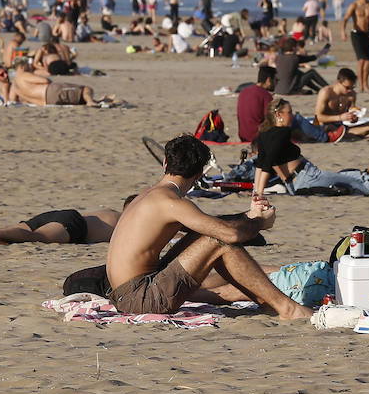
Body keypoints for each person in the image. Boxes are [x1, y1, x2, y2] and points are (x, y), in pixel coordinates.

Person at [107, 135, 310, 319]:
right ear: (198, 174)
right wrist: (260, 223)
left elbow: (208, 223)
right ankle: (286, 308)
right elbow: (229, 234)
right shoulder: (171, 202)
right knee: (220, 240)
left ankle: (267, 303)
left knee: (208, 234)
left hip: (126, 295)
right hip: (140, 298)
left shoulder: (148, 197)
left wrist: (249, 215)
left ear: (165, 162)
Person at [308, 68, 369, 141]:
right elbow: (317, 118)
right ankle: (360, 137)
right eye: (347, 87)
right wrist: (340, 117)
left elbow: (352, 115)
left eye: (352, 87)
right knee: (331, 128)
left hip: (343, 128)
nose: (350, 90)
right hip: (325, 128)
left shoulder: (351, 95)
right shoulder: (326, 92)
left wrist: (354, 119)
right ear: (338, 82)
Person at [0, 61, 117, 106]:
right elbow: (45, 81)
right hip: (50, 92)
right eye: (28, 68)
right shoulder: (22, 75)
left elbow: (13, 101)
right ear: (22, 67)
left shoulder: (15, 86)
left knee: (76, 97)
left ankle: (99, 101)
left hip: (46, 102)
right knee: (86, 89)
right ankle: (91, 101)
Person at [342, 0, 369, 92]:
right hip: (356, 34)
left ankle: (365, 82)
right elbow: (345, 19)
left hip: (367, 34)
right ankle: (361, 85)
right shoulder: (354, 5)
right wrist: (343, 32)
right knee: (361, 60)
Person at [237, 66, 276, 142]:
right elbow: (272, 118)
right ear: (269, 80)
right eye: (275, 80)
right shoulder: (265, 95)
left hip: (243, 135)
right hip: (258, 136)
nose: (276, 83)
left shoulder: (243, 92)